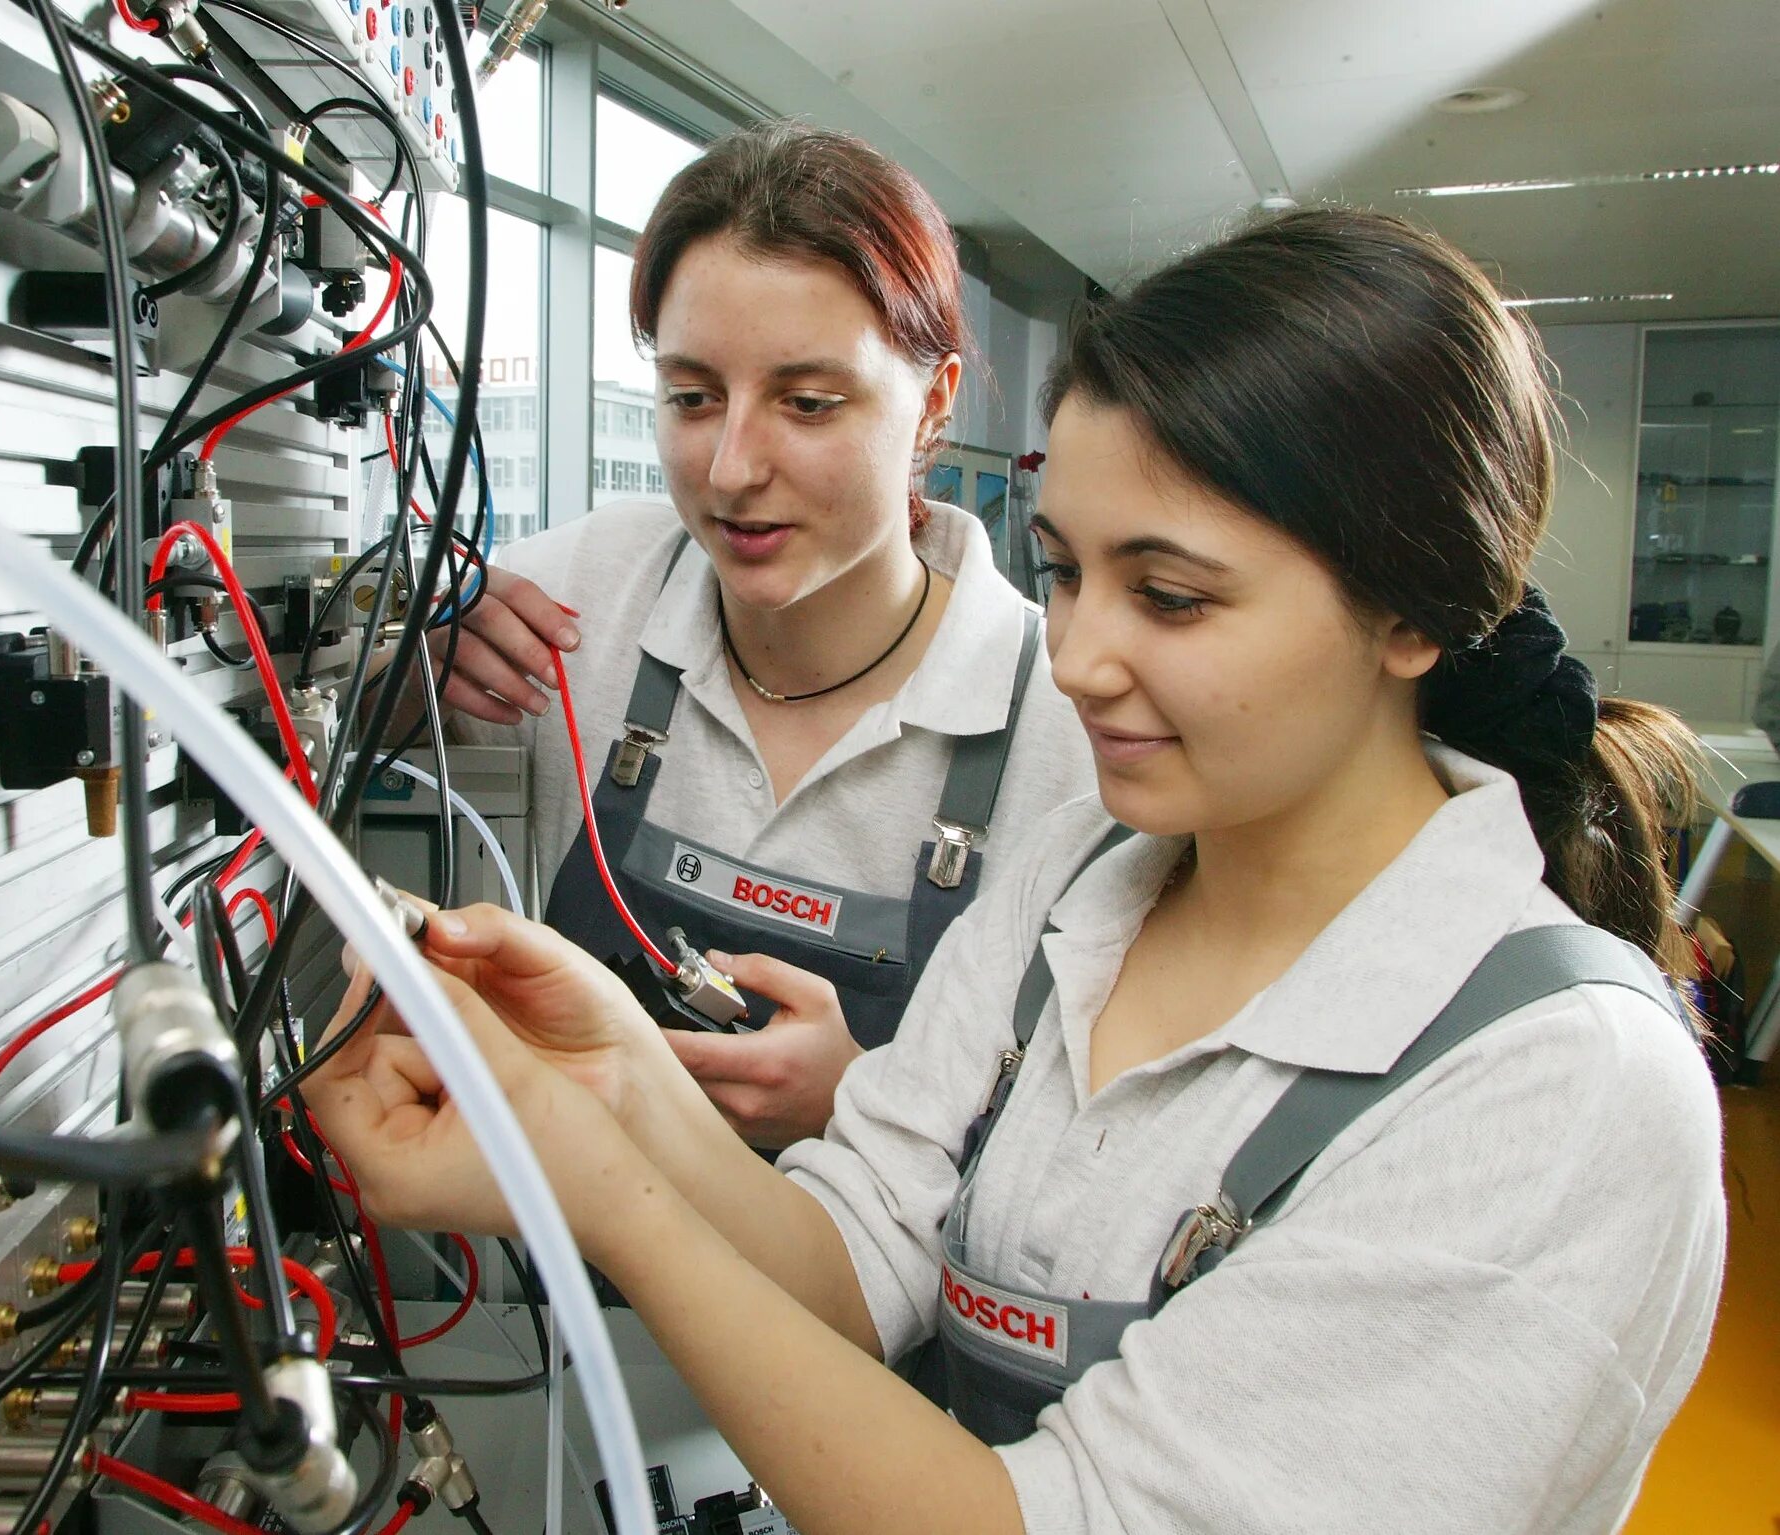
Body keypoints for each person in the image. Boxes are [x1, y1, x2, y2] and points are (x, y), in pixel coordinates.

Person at [314, 209, 1726, 1532]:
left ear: (1409, 608)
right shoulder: (1085, 875)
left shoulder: (1558, 1087)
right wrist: (612, 1069)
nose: (1077, 655)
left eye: (1169, 595)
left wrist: (598, 1189)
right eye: (1060, 571)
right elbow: (856, 1252)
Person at [424, 122, 1090, 1147]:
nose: (731, 468)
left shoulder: (1064, 725)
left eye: (808, 402)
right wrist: (409, 649)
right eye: (691, 397)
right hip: (555, 1294)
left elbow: (1096, 1155)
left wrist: (869, 1107)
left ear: (933, 406)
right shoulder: (586, 596)